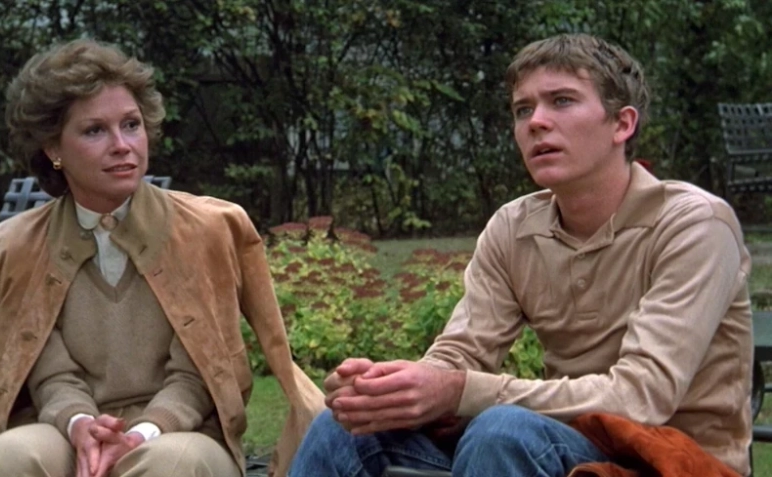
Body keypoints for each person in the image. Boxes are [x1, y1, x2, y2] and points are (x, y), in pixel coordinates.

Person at [289, 33, 752, 477]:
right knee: (343, 429)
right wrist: (391, 389)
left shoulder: (694, 225)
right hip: (561, 448)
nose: (536, 122)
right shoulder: (514, 227)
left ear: (622, 124)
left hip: (674, 460)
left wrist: (459, 391)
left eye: (562, 101)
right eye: (522, 109)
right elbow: (463, 352)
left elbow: (642, 397)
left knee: (503, 431)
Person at [0, 39, 323, 477]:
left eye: (131, 125)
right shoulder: (15, 246)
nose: (122, 145)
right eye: (95, 130)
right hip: (65, 429)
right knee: (7, 458)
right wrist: (81, 425)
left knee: (169, 465)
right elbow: (46, 373)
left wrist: (142, 432)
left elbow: (201, 372)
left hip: (183, 431)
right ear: (53, 148)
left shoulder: (207, 230)